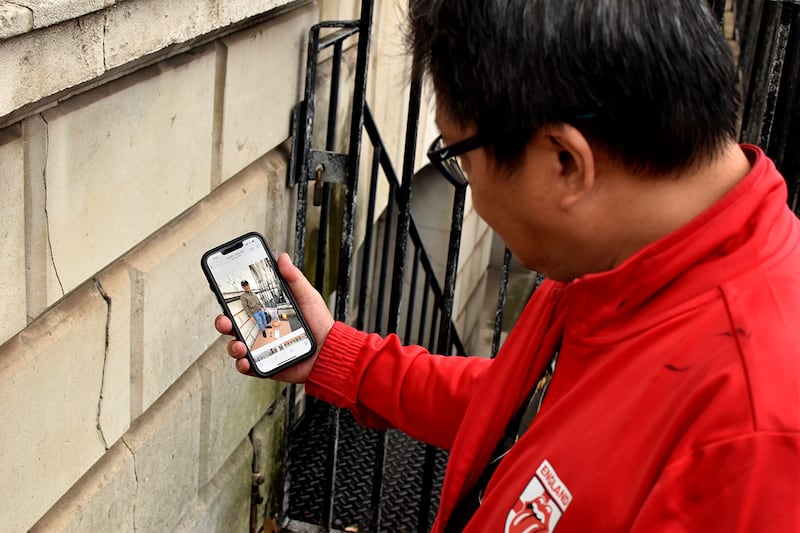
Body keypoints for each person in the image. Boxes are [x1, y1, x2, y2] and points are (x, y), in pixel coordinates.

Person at [216, 0, 800, 530]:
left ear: (566, 162)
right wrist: (337, 358)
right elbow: (523, 413)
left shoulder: (753, 445)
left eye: (457, 155)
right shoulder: (626, 260)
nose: (470, 190)